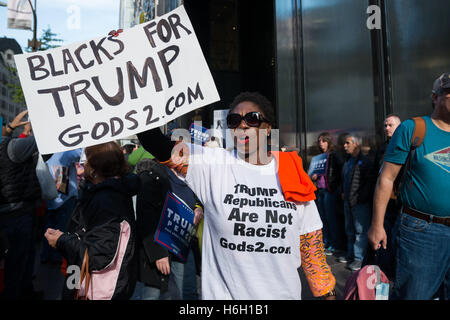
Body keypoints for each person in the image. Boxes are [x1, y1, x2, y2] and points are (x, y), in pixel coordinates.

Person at [137, 92, 336, 300]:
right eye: (233, 121)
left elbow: (312, 250)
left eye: (252, 119)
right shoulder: (213, 164)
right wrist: (138, 96)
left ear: (268, 129)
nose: (242, 125)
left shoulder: (292, 174)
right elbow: (157, 145)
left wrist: (329, 295)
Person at [368, 73, 450, 300]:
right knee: (414, 295)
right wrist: (377, 225)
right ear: (435, 97)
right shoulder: (413, 128)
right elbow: (386, 178)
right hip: (422, 231)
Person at [44, 142, 139, 300]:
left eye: (87, 159)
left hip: (95, 288)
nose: (84, 163)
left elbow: (99, 255)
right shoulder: (100, 191)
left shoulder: (106, 199)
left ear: (97, 166)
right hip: (79, 274)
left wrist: (62, 240)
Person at [0, 110, 43, 299]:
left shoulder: (10, 145)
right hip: (17, 214)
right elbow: (44, 139)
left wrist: (9, 129)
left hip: (9, 213)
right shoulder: (13, 148)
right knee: (16, 264)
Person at [369, 114, 402, 279]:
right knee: (384, 243)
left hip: (401, 203)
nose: (387, 128)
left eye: (390, 125)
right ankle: (385, 276)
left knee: (398, 241)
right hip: (385, 202)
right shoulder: (381, 149)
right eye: (385, 125)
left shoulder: (406, 145)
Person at [339, 133, 376, 271]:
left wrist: (361, 197)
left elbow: (370, 182)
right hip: (348, 201)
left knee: (361, 231)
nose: (345, 145)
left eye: (348, 143)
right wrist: (343, 191)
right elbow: (345, 180)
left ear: (356, 144)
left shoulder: (365, 161)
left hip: (360, 203)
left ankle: (359, 259)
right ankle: (350, 255)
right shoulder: (348, 161)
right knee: (349, 230)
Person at [40, 149, 82, 265]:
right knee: (62, 229)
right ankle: (56, 257)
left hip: (50, 198)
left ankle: (46, 256)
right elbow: (83, 154)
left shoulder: (46, 153)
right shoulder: (64, 151)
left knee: (49, 228)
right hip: (65, 199)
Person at [310, 132, 343, 256]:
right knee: (323, 218)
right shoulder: (319, 157)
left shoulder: (334, 155)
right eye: (319, 141)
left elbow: (340, 172)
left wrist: (337, 188)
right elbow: (316, 173)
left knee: (331, 218)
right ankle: (326, 242)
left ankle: (334, 245)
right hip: (320, 190)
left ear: (329, 142)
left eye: (323, 141)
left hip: (330, 190)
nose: (321, 143)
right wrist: (314, 175)